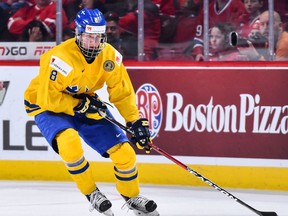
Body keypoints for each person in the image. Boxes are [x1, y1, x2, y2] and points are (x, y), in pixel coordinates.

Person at [24, 8, 159, 216]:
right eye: (88, 37)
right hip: (47, 105)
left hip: (83, 101)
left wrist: (135, 121)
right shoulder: (59, 58)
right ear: (78, 34)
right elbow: (48, 98)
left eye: (98, 37)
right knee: (69, 142)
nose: (94, 43)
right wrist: (78, 106)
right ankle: (92, 194)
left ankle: (131, 197)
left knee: (125, 152)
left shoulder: (110, 56)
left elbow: (122, 93)